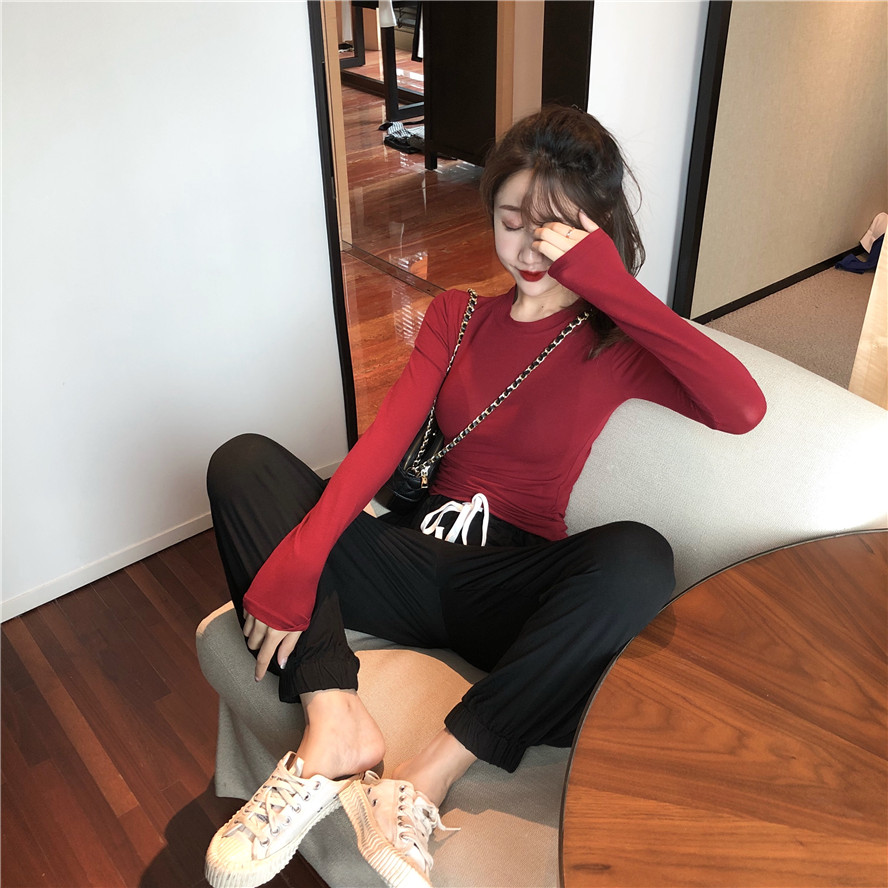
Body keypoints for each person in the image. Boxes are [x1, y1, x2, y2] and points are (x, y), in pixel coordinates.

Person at [203, 106, 767, 888]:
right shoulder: (456, 314)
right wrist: (302, 556)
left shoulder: (615, 342)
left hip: (508, 589)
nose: (531, 248)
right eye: (512, 221)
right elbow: (381, 446)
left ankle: (428, 775)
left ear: (597, 231)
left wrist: (612, 286)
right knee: (243, 465)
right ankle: (334, 720)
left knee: (640, 557)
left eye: (557, 230)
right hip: (409, 553)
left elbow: (742, 409)